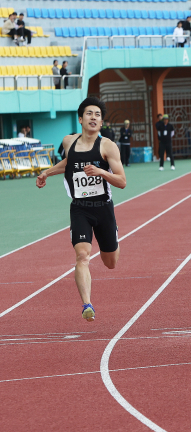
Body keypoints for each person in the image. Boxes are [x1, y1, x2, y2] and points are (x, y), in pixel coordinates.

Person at [35, 97, 127, 322]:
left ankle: (112, 233)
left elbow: (122, 181)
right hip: (80, 209)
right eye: (89, 114)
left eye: (97, 114)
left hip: (103, 208)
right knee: (82, 256)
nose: (93, 117)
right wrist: (47, 172)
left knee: (110, 262)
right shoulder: (68, 142)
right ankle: (87, 304)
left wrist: (101, 172)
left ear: (102, 122)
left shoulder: (107, 146)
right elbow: (68, 162)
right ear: (80, 119)